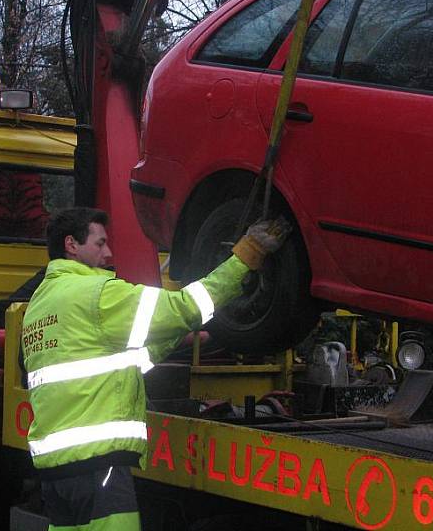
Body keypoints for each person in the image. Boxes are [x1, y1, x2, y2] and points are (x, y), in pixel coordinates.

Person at [22, 206, 290, 530]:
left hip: (56, 475)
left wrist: (174, 332)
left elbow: (124, 360)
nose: (108, 253)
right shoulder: (97, 295)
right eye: (100, 243)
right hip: (97, 467)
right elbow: (186, 307)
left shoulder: (41, 304)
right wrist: (248, 254)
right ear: (71, 245)